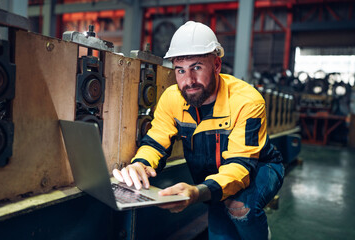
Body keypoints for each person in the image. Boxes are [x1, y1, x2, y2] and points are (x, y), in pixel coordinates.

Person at [113, 21, 284, 239]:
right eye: (180, 70)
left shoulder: (247, 101)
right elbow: (156, 141)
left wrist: (197, 192)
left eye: (197, 67)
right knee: (220, 228)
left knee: (241, 207)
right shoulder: (172, 98)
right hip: (217, 174)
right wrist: (141, 164)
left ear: (216, 65)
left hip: (260, 166)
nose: (188, 81)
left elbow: (241, 165)